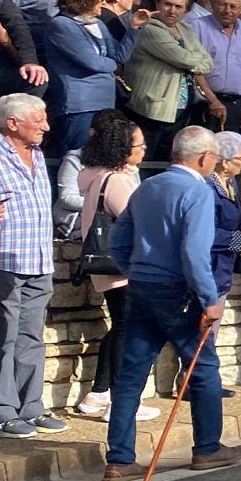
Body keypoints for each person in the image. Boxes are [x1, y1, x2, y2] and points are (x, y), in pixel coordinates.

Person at [98, 126, 241, 481]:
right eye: (214, 158)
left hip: (141, 286)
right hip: (180, 291)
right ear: (201, 158)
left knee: (131, 374)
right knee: (203, 369)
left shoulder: (147, 186)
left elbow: (119, 241)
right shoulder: (197, 191)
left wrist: (136, 269)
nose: (215, 163)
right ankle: (208, 447)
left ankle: (119, 458)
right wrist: (210, 299)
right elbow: (195, 253)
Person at [70, 116, 158, 422]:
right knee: (129, 330)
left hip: (110, 265)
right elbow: (140, 220)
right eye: (139, 145)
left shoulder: (100, 175)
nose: (144, 150)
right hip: (125, 265)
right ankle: (121, 402)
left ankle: (99, 394)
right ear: (123, 149)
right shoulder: (118, 180)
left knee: (120, 326)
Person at [0, 94, 53, 438]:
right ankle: (0, 411)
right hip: (3, 261)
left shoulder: (38, 154)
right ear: (13, 123)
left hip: (39, 258)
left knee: (31, 337)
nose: (46, 126)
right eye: (38, 120)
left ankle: (32, 407)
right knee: (3, 337)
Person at [42, 0, 139, 161]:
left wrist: (135, 29)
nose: (103, 3)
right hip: (79, 105)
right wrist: (111, 65)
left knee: (99, 158)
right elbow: (92, 62)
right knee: (76, 158)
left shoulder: (98, 25)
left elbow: (119, 56)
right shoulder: (61, 25)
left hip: (104, 101)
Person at [124, 0, 214, 160]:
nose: (172, 10)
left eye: (179, 6)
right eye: (168, 4)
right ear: (158, 3)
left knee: (167, 161)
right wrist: (190, 60)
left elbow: (209, 63)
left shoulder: (185, 29)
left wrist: (190, 61)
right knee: (146, 161)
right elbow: (184, 59)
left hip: (179, 108)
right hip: (152, 108)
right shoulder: (150, 28)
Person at [192, 0, 241, 135]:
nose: (227, 10)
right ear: (213, 4)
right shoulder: (197, 27)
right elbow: (194, 69)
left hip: (237, 105)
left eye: (233, 6)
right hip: (204, 104)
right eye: (222, 4)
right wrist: (213, 100)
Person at [208, 133, 241, 306]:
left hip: (223, 268)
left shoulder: (231, 183)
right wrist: (239, 239)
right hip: (209, 268)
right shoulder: (207, 188)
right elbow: (204, 232)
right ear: (225, 162)